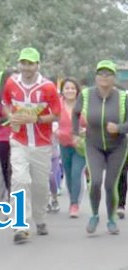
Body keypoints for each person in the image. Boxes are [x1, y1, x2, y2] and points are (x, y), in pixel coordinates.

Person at [2, 47, 61, 243]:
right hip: (19, 141)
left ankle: (40, 218)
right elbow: (5, 103)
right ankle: (19, 224)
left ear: (38, 65)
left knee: (39, 185)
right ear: (19, 64)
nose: (26, 68)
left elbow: (56, 113)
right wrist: (12, 117)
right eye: (23, 63)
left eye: (30, 64)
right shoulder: (11, 83)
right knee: (19, 180)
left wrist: (35, 119)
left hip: (42, 144)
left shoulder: (48, 87)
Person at [72, 60, 128, 235]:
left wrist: (119, 128)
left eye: (108, 74)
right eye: (101, 74)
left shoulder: (123, 97)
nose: (104, 77)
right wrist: (74, 133)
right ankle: (95, 215)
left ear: (114, 78)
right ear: (95, 77)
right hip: (93, 145)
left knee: (110, 185)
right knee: (95, 181)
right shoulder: (86, 95)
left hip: (117, 147)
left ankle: (111, 219)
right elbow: (75, 113)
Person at [57, 77, 85, 218]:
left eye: (73, 88)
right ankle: (72, 200)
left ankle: (75, 204)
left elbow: (91, 121)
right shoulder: (57, 105)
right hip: (64, 144)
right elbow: (51, 121)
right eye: (67, 88)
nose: (70, 91)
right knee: (68, 175)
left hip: (80, 146)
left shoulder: (83, 105)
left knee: (76, 173)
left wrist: (85, 131)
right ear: (62, 90)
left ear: (77, 90)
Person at [0, 69, 16, 202]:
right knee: (6, 171)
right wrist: (8, 118)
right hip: (4, 138)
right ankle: (10, 197)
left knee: (19, 171)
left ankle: (19, 197)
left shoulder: (23, 97)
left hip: (21, 139)